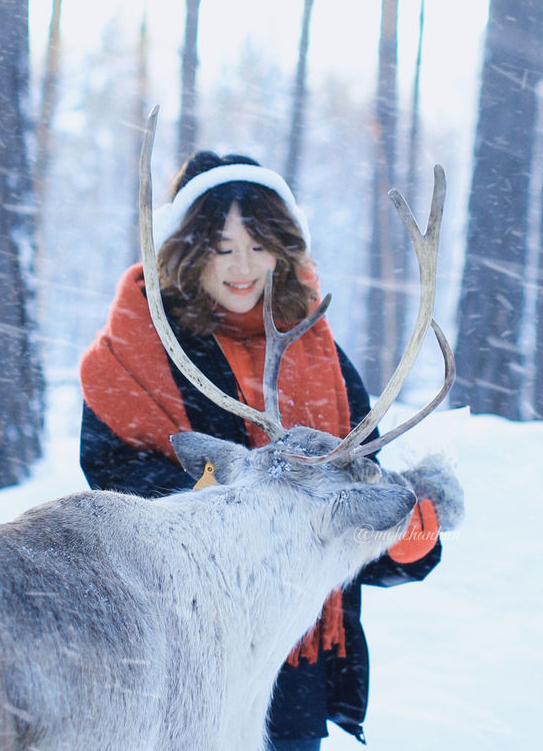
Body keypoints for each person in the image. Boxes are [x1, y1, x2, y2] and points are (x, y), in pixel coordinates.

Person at [79, 151, 443, 749]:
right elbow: (115, 487)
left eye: (259, 244)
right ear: (187, 250)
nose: (243, 266)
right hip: (178, 654)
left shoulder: (320, 352)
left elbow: (346, 506)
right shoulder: (134, 353)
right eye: (222, 248)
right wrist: (225, 495)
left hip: (291, 658)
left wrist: (404, 540)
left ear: (284, 250)